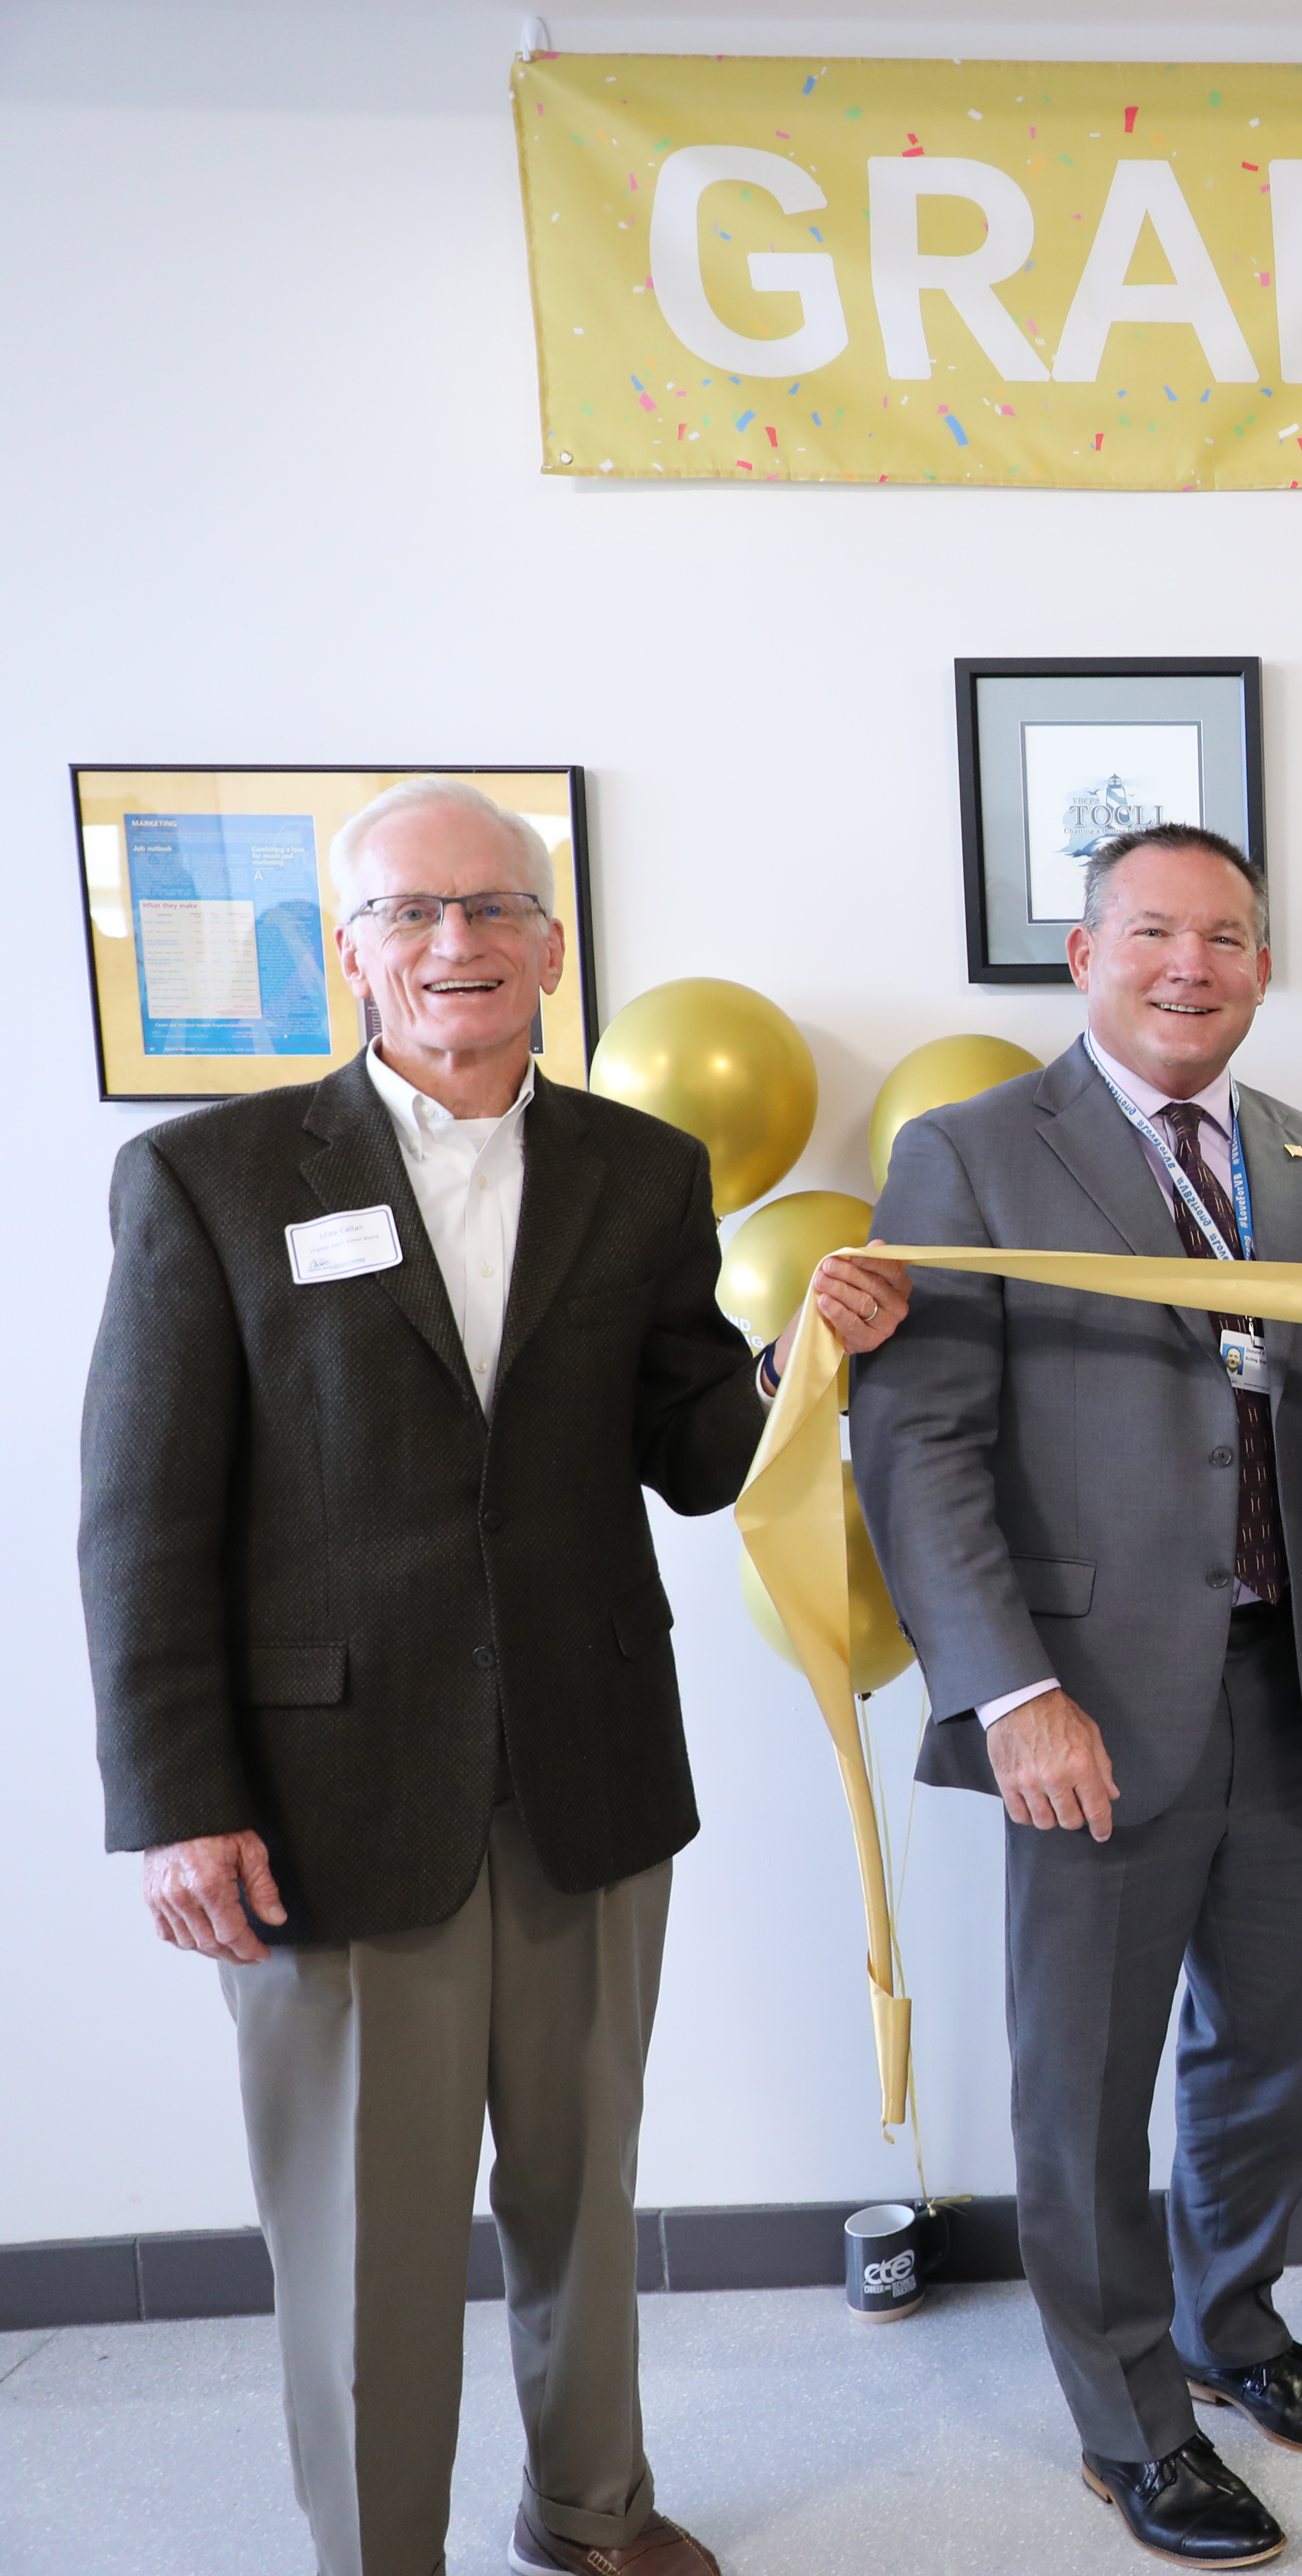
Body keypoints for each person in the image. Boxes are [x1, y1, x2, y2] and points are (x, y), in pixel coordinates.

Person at [82, 775, 907, 2576]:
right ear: (352, 955)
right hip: (327, 1805)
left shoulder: (639, 1170)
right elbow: (137, 1522)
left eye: (489, 911)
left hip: (590, 1771)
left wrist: (790, 1372)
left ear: (550, 946)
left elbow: (689, 1444)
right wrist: (178, 1806)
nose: (453, 944)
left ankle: (594, 2517)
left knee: (579, 2194)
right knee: (366, 2247)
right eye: (409, 913)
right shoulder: (207, 1181)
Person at [855, 823, 1302, 2570]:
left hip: (1297, 1686)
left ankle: (1234, 2329)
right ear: (1082, 957)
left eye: (1226, 938)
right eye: (1153, 933)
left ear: (1260, 964)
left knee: (1271, 2057)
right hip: (1086, 1703)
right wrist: (1012, 1694)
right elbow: (918, 1448)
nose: (1192, 966)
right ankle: (1130, 2417)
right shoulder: (971, 1156)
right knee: (1084, 2087)